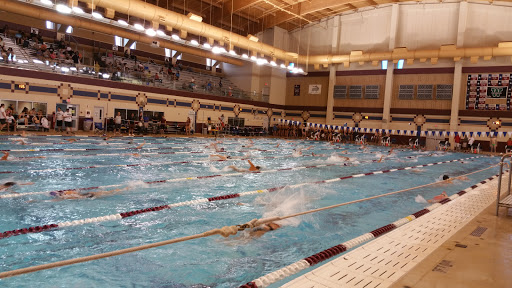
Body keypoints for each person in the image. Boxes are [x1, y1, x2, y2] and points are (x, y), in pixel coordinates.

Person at [49, 187, 126, 200]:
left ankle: (124, 189)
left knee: (110, 193)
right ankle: (124, 189)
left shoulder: (67, 196)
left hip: (89, 195)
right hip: (88, 195)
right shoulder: (68, 194)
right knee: (109, 192)